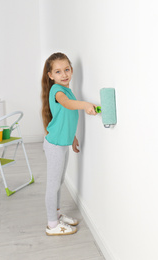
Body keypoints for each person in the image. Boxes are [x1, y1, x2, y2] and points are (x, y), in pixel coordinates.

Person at [41, 52, 97, 236]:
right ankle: (52, 225)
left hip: (62, 143)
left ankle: (56, 215)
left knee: (59, 181)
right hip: (54, 145)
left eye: (66, 69)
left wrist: (72, 138)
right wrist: (85, 104)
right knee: (53, 184)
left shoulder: (67, 89)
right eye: (58, 71)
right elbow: (68, 105)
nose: (64, 74)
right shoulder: (58, 91)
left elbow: (65, 118)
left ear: (71, 70)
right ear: (51, 76)